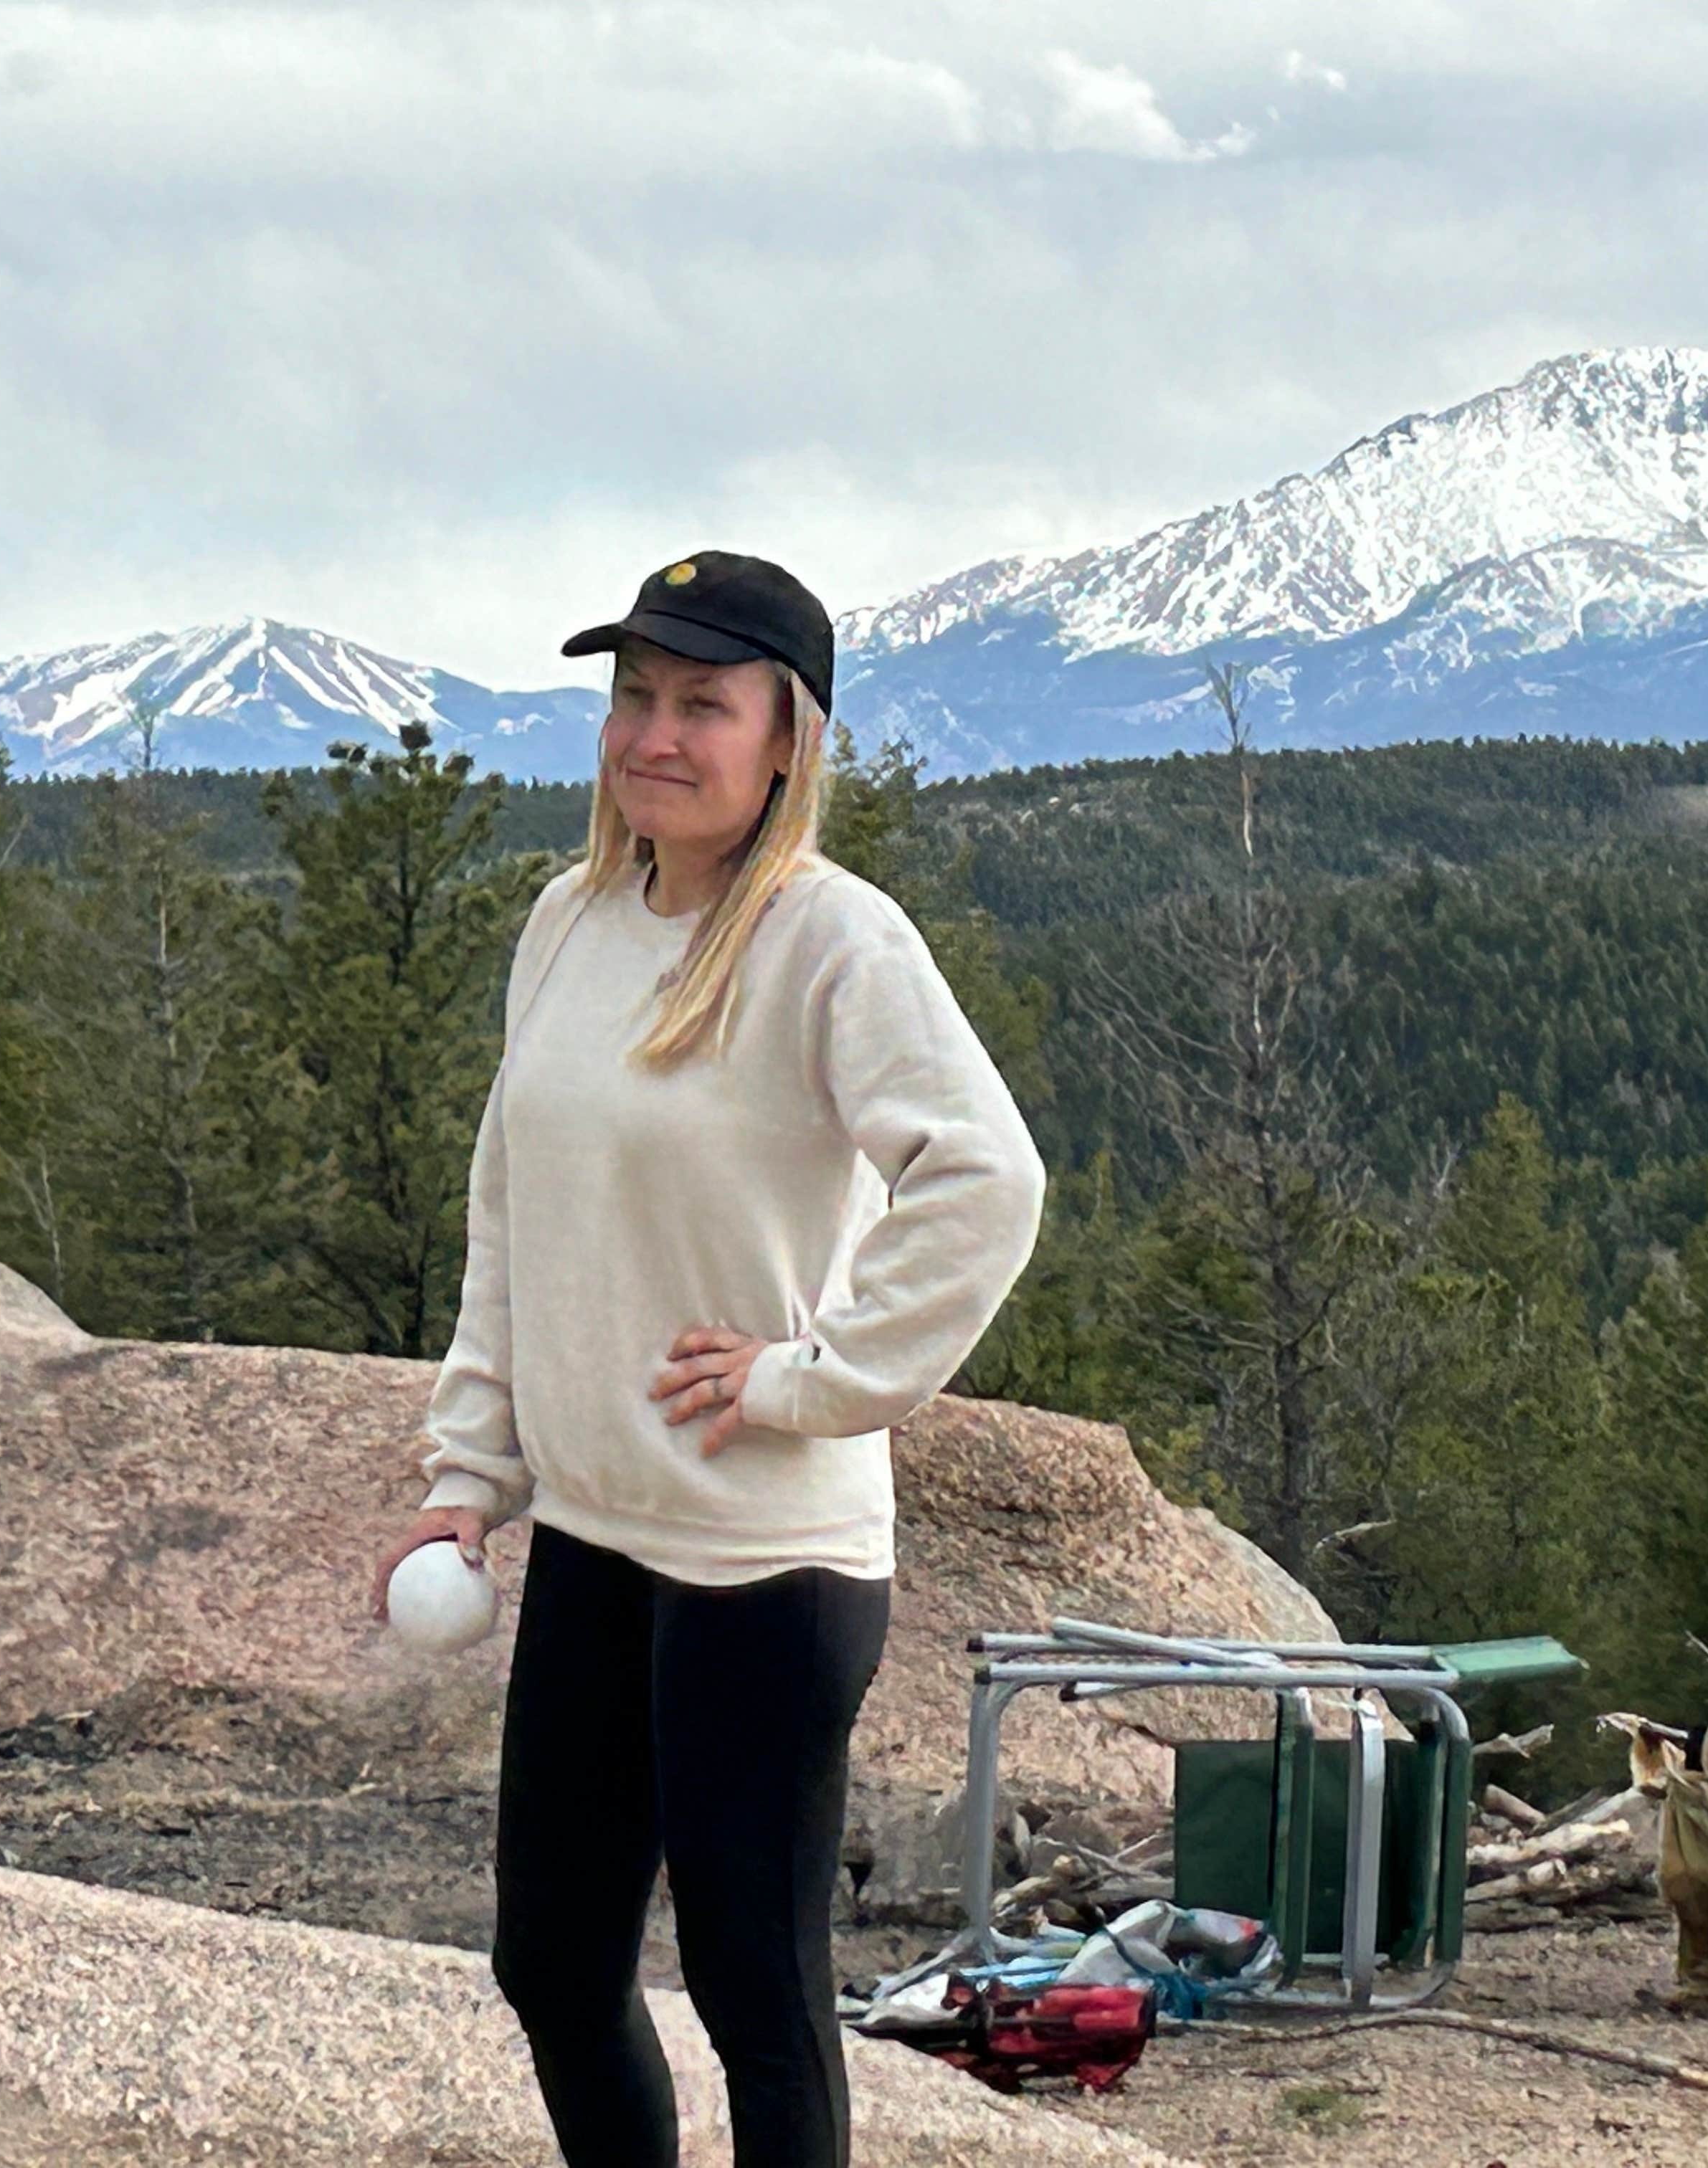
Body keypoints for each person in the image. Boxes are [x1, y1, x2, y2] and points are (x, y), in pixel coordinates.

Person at [367, 550, 1047, 2168]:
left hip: (767, 1558)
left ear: (788, 741)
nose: (654, 736)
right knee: (553, 1965)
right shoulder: (571, 922)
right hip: (603, 1541)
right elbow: (511, 1211)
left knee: (755, 1992)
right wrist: (471, 1478)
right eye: (633, 698)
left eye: (701, 704)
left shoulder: (834, 943)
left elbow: (986, 1181)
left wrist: (811, 1378)